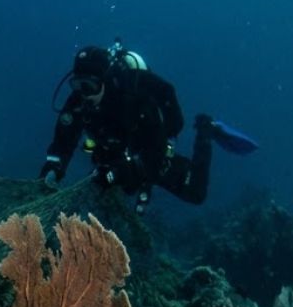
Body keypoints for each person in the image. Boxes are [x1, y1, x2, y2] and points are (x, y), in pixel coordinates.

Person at [39, 42, 232, 211]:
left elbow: (156, 149)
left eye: (90, 86)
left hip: (146, 149)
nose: (84, 93)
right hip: (112, 149)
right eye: (77, 85)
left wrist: (127, 170)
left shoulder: (135, 99)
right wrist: (54, 167)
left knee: (195, 193)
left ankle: (206, 132)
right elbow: (63, 140)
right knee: (107, 183)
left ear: (105, 82)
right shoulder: (79, 101)